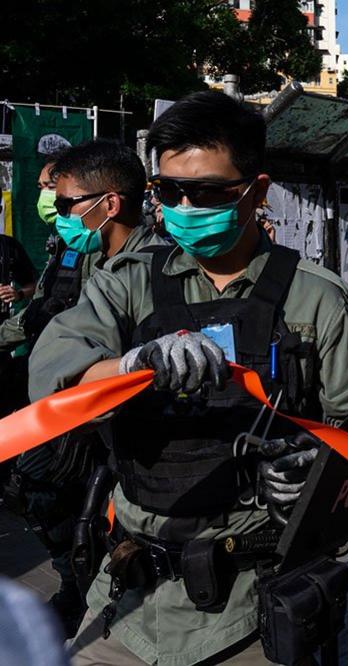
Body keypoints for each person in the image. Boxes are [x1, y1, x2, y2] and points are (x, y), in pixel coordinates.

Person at [28, 90, 348, 665]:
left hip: (251, 605)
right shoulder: (129, 282)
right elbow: (53, 376)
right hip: (130, 599)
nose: (185, 206)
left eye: (206, 192)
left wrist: (311, 478)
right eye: (169, 191)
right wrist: (130, 366)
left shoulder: (314, 297)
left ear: (258, 190)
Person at [2, 140, 163, 636]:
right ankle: (82, 588)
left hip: (127, 427)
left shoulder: (157, 266)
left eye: (67, 201)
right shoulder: (80, 254)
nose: (60, 211)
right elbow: (51, 325)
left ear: (108, 203)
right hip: (81, 413)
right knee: (46, 494)